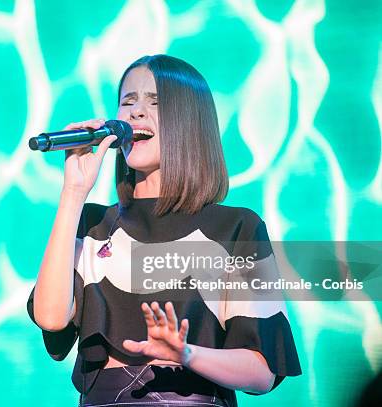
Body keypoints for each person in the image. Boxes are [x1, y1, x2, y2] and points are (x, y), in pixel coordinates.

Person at [27, 54, 302, 407]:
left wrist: (187, 353)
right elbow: (50, 318)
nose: (135, 113)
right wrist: (74, 192)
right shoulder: (92, 225)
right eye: (127, 102)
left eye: (155, 102)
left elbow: (262, 372)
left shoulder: (237, 227)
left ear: (190, 122)